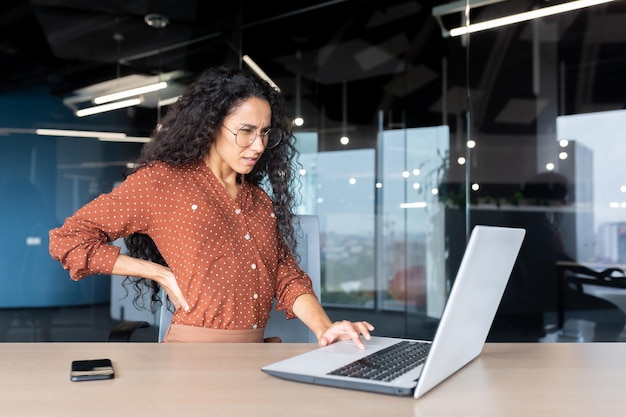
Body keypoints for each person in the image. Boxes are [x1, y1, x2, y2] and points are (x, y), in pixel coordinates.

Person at [49, 66, 374, 346]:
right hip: (193, 357)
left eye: (264, 133)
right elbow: (69, 240)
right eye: (245, 132)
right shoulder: (161, 182)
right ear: (210, 125)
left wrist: (326, 329)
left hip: (255, 355)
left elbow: (287, 278)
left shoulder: (259, 202)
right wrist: (158, 273)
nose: (258, 145)